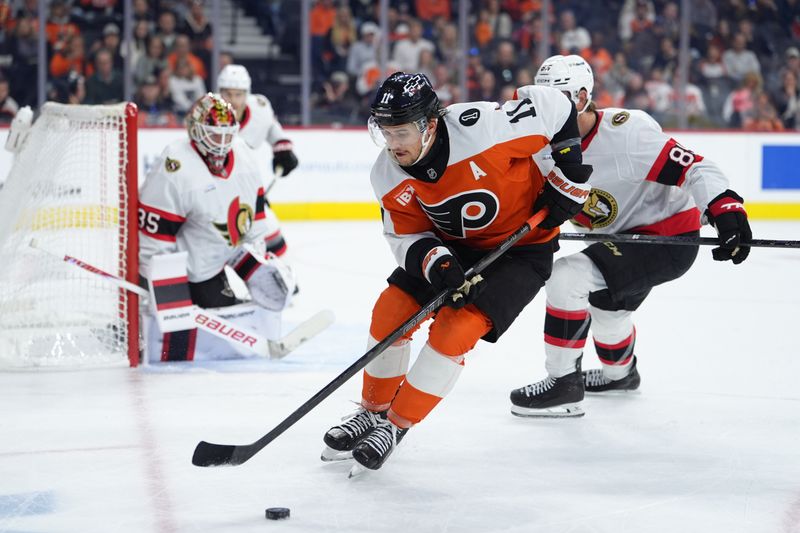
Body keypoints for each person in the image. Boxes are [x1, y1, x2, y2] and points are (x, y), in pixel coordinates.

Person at [321, 72, 592, 471]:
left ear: (430, 125)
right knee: (390, 312)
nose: (393, 146)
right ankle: (372, 411)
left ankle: (395, 425)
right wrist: (438, 263)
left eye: (402, 134)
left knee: (456, 328)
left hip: (522, 249)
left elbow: (553, 105)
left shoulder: (483, 129)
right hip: (451, 248)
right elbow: (404, 235)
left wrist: (568, 171)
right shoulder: (386, 173)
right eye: (386, 133)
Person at [508, 55, 752, 418]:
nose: (546, 113)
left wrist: (724, 207)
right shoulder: (539, 147)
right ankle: (620, 374)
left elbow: (692, 166)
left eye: (556, 101)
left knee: (568, 277)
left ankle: (563, 385)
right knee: (609, 307)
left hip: (666, 237)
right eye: (541, 103)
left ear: (580, 97)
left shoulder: (625, 132)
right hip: (613, 239)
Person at [138, 93, 294, 362]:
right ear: (195, 131)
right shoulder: (175, 166)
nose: (221, 144)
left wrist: (259, 259)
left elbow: (255, 217)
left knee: (226, 337)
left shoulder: (243, 155)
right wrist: (170, 296)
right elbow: (153, 241)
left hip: (212, 263)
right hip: (177, 267)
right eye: (213, 135)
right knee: (171, 350)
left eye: (226, 135)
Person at [217, 64, 299, 259]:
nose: (233, 101)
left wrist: (282, 148)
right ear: (219, 94)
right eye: (228, 94)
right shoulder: (210, 115)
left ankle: (274, 279)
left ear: (247, 94)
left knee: (272, 235)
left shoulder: (260, 108)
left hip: (247, 185)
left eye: (239, 95)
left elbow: (271, 128)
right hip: (216, 186)